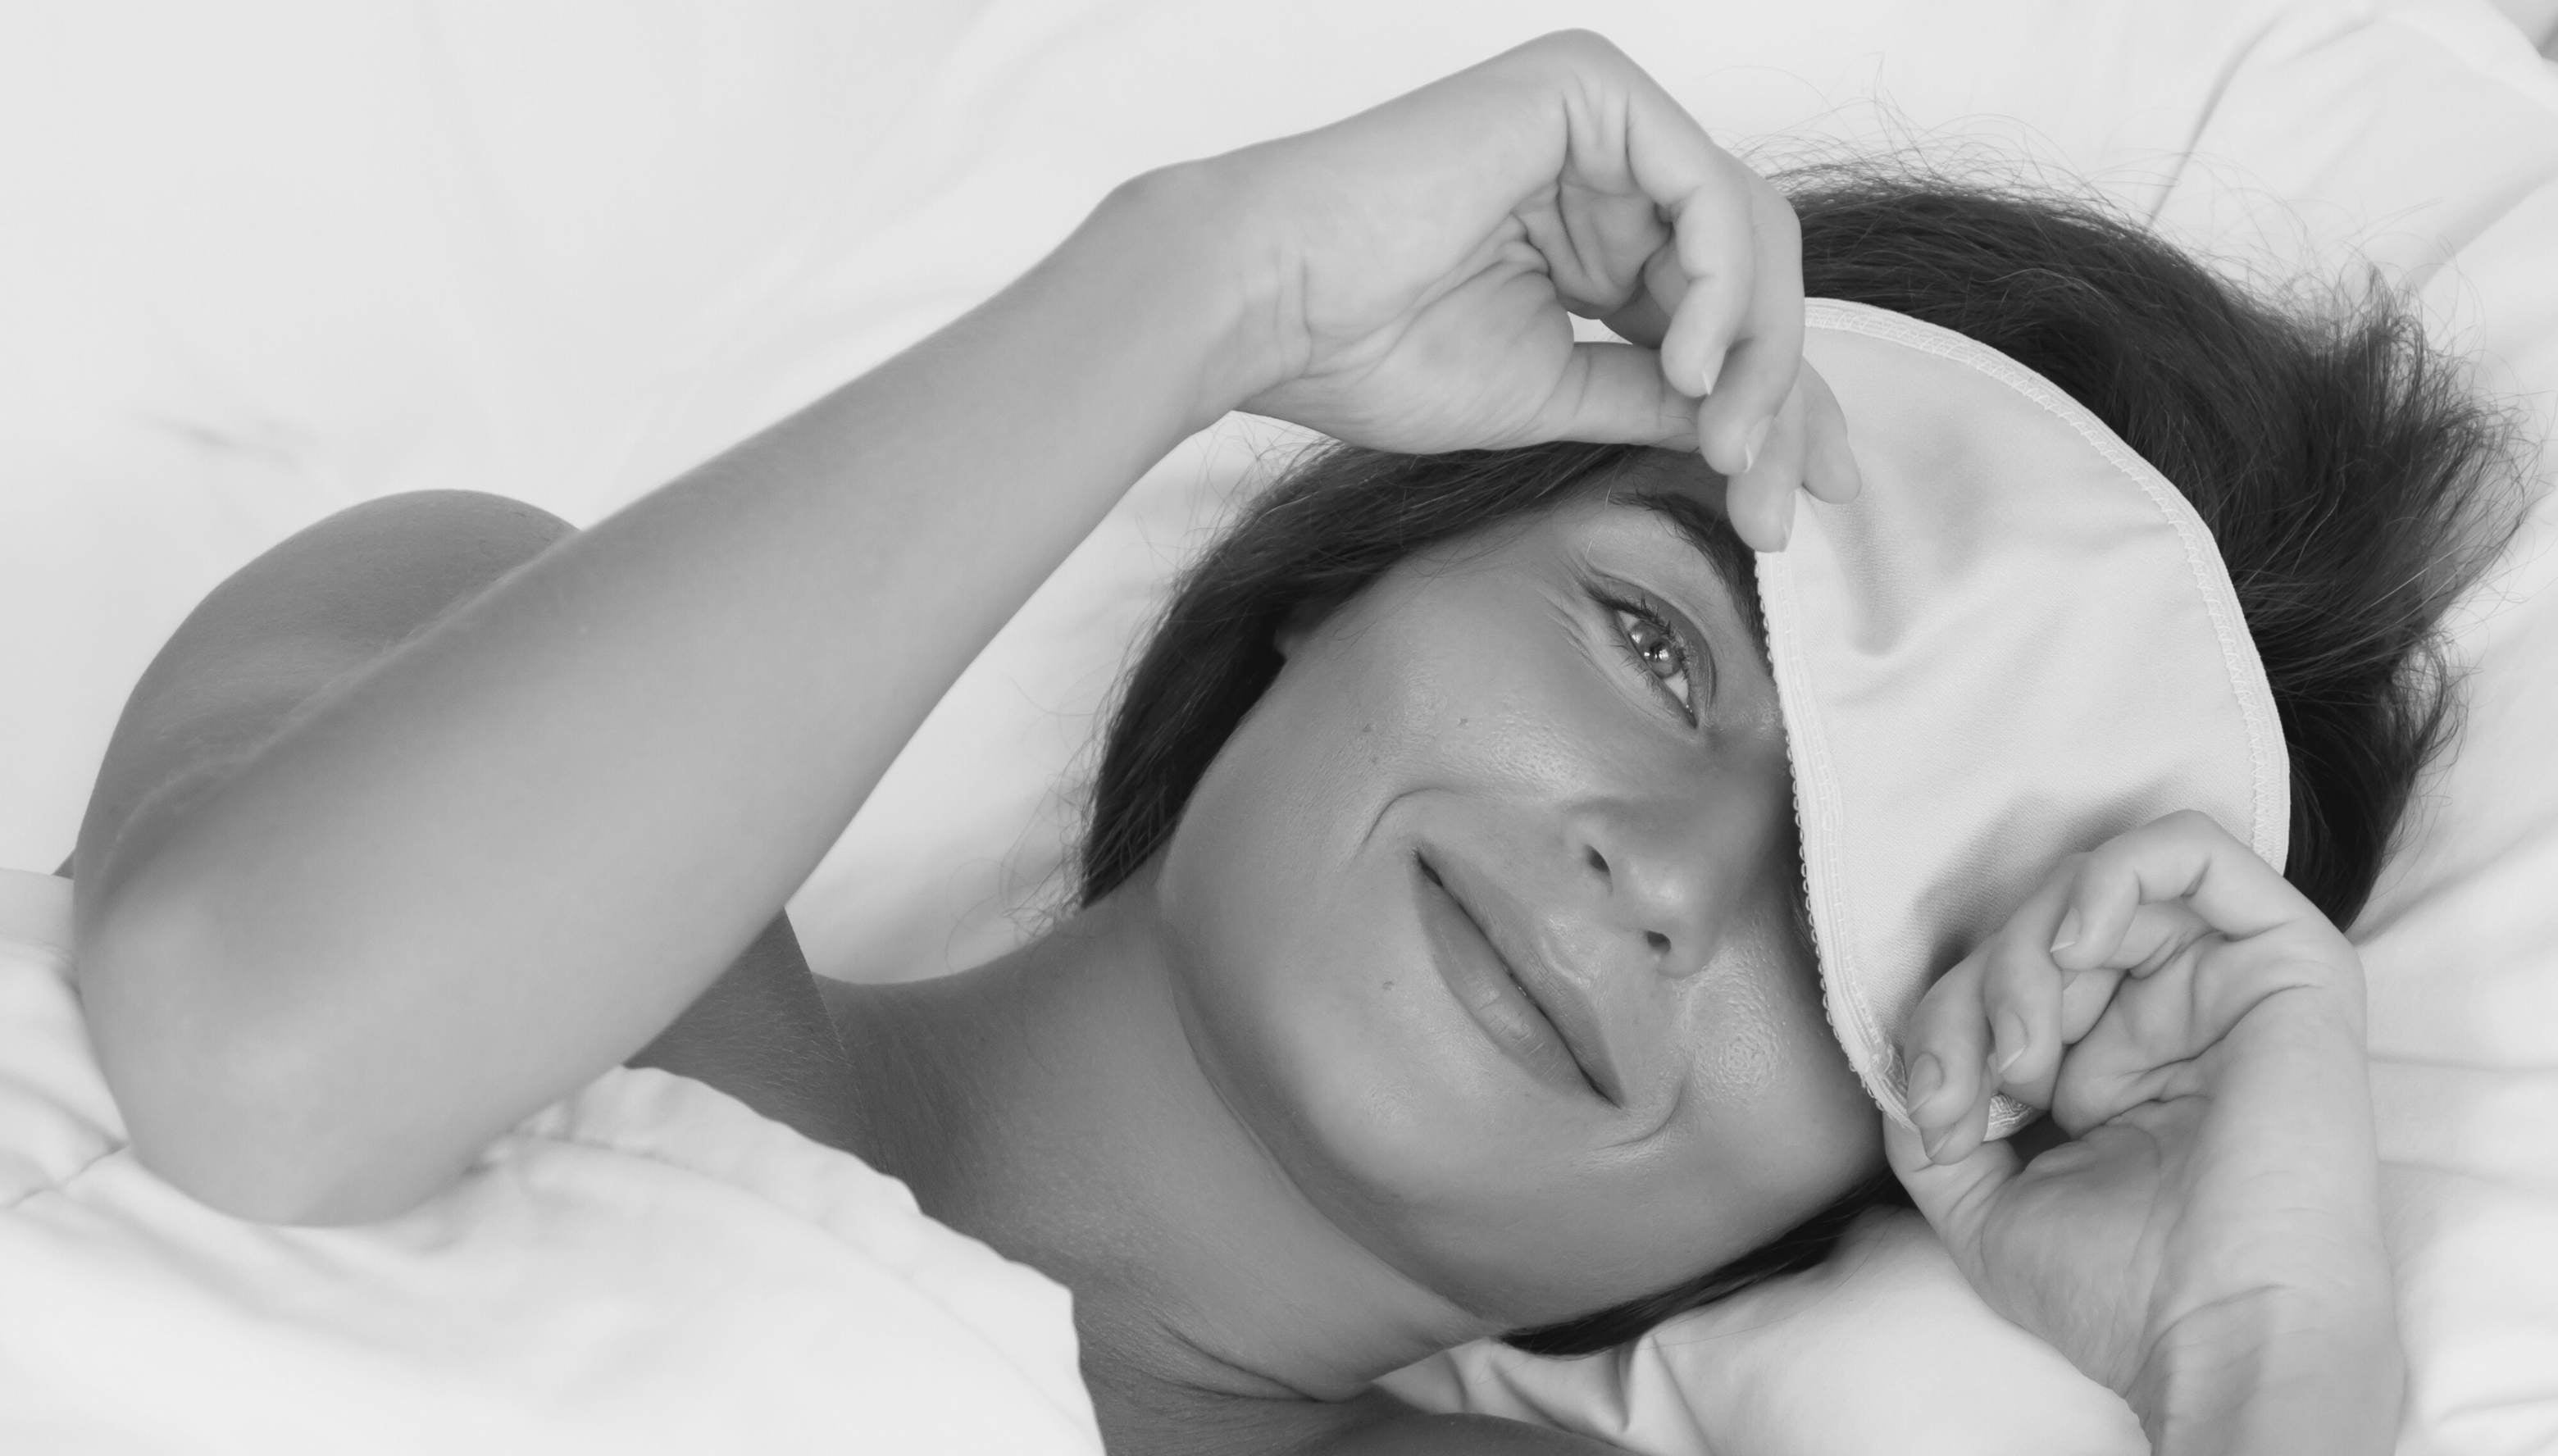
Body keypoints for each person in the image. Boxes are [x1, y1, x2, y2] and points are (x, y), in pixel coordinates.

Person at [58, 30, 2521, 1456]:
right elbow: (261, 1056)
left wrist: (2262, 1349)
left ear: (1880, 1166)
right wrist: (1207, 281)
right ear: (1373, 557)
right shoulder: (451, 644)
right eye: (1664, 648)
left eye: (1869, 921)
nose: (1668, 874)